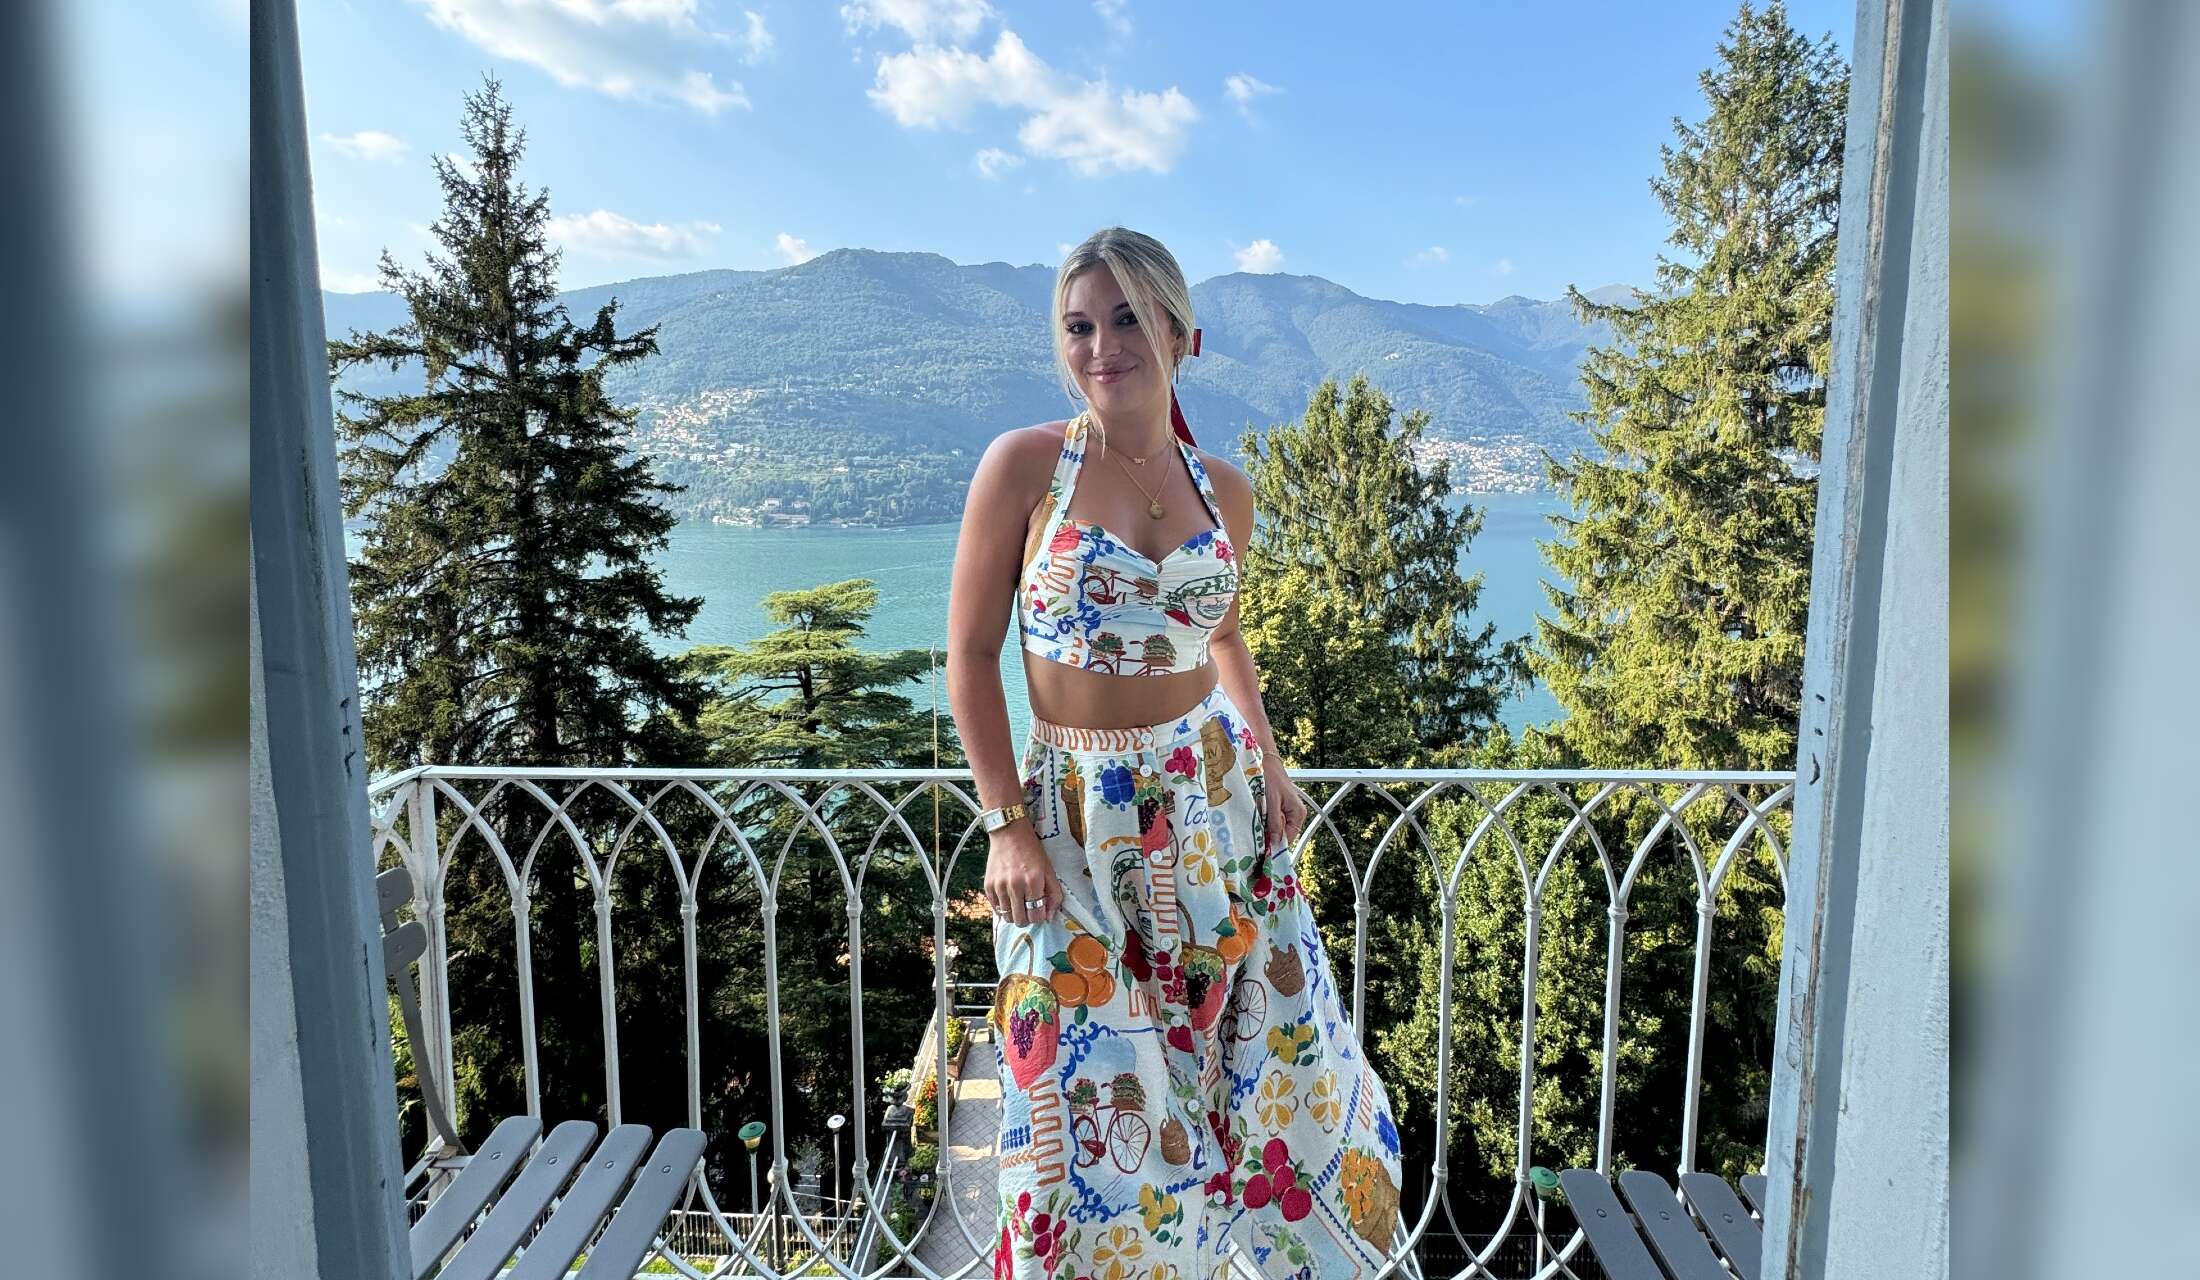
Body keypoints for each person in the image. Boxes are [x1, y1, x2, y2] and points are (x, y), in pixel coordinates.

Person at [946, 227, 1406, 1280]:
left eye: (1126, 319)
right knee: (1089, 1105)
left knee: (1261, 1078)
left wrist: (1271, 763)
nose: (1100, 346)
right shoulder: (1025, 467)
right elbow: (969, 655)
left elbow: (1224, 637)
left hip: (1213, 809)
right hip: (1074, 825)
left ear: (1180, 332)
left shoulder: (1223, 489)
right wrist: (1005, 823)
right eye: (1078, 326)